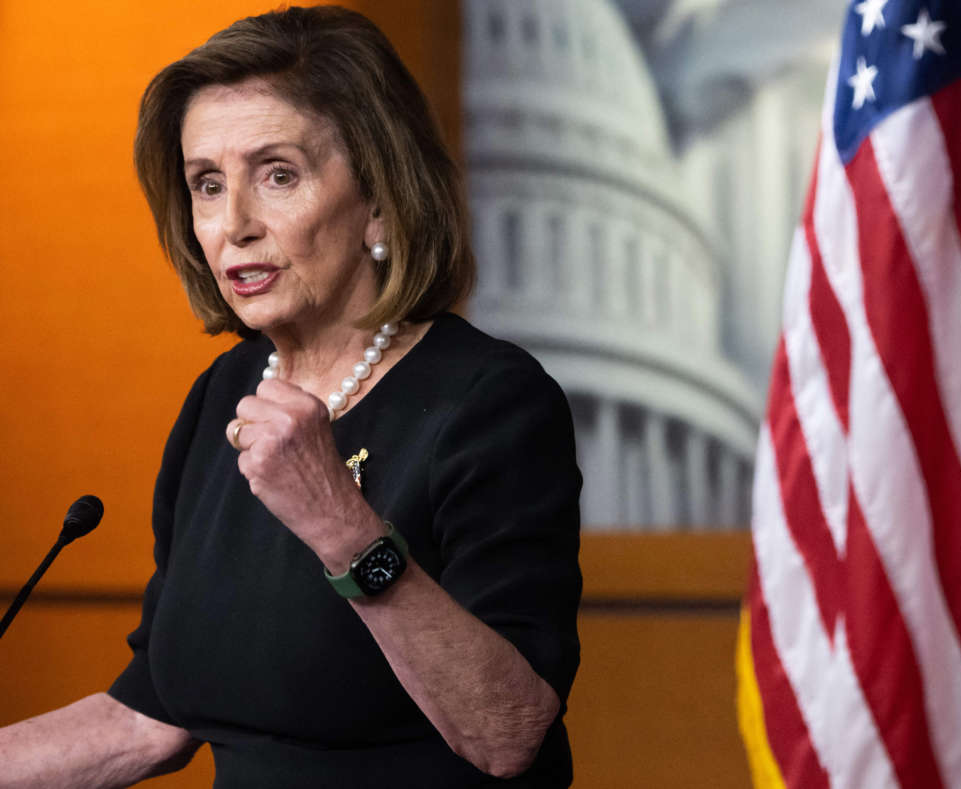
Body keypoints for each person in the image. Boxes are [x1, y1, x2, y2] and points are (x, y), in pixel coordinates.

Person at [0, 6, 582, 787]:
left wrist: (341, 525)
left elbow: (507, 732)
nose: (233, 225)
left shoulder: (490, 407)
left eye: (278, 175)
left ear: (379, 198)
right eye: (207, 184)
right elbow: (154, 713)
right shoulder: (224, 398)